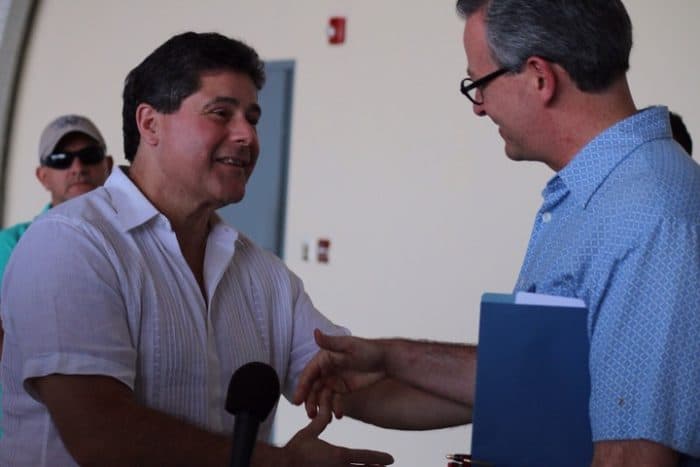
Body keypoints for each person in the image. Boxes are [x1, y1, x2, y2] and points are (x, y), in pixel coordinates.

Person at [294, 1, 700, 466]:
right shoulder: (598, 197)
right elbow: (546, 378)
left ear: (538, 77)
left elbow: (630, 456)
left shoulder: (650, 215)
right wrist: (390, 359)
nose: (479, 108)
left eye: (479, 84)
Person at [0, 32, 394, 466]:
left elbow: (356, 382)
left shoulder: (263, 275)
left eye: (253, 117)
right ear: (150, 124)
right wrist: (281, 463)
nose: (246, 135)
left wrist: (478, 382)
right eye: (220, 113)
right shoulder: (72, 243)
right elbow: (102, 436)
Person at [0, 114, 113, 283]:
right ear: (42, 176)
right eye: (61, 159)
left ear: (108, 166)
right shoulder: (11, 244)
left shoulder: (137, 232)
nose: (78, 168)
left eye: (90, 155)